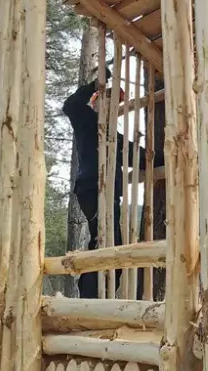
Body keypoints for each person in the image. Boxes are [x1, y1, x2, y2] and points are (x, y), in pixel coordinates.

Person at [62, 72, 147, 298]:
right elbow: (70, 105)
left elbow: (141, 155)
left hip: (107, 193)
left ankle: (95, 297)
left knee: (108, 246)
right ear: (96, 102)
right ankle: (90, 299)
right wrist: (95, 84)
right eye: (106, 100)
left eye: (115, 103)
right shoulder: (86, 120)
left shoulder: (113, 137)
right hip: (93, 188)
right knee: (105, 244)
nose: (111, 106)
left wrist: (169, 155)